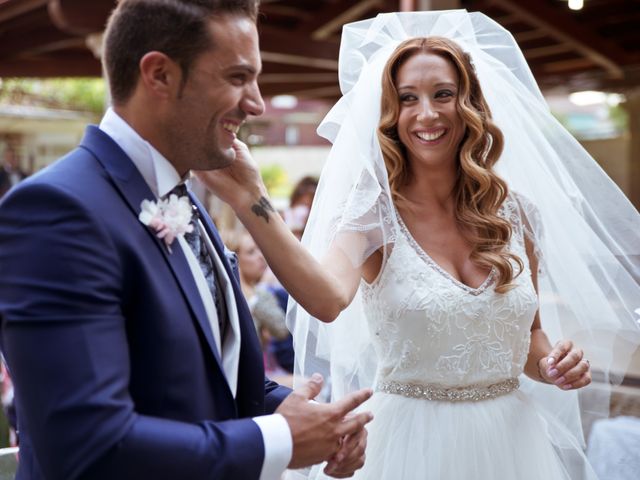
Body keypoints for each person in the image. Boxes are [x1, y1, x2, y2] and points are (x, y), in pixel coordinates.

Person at [197, 10, 640, 480]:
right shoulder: (372, 214)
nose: (426, 113)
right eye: (408, 98)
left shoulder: (516, 213)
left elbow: (527, 338)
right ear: (390, 112)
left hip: (513, 445)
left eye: (442, 95)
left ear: (468, 103)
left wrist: (552, 364)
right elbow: (326, 299)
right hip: (409, 448)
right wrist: (253, 200)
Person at [0, 1, 374, 480]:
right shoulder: (57, 212)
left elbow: (214, 375)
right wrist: (281, 440)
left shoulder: (185, 198)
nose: (257, 103)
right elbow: (85, 443)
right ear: (159, 75)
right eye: (238, 78)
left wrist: (319, 421)